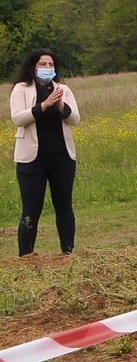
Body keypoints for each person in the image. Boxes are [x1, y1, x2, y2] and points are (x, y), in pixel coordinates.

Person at [9, 48, 81, 256]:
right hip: (32, 160)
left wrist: (59, 105)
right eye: (43, 64)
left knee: (64, 206)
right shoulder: (21, 89)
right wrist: (43, 105)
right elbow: (17, 119)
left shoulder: (63, 89)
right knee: (31, 210)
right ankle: (26, 257)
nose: (47, 68)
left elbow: (75, 119)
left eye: (51, 65)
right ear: (33, 67)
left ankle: (68, 253)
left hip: (62, 158)